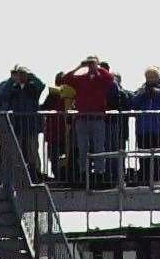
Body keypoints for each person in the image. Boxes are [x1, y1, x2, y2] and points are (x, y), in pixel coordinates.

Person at [63, 56, 116, 188]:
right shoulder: (82, 79)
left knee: (99, 149)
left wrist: (98, 68)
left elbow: (110, 78)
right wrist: (80, 67)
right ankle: (83, 173)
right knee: (82, 149)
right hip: (82, 119)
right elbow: (65, 79)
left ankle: (99, 174)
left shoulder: (101, 79)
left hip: (98, 119)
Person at [130, 67, 160, 185]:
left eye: (153, 77)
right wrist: (143, 95)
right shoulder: (142, 89)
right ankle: (145, 179)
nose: (151, 79)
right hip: (144, 129)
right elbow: (133, 104)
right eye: (148, 77)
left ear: (159, 77)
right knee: (144, 156)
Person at [0, 65, 45, 180]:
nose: (20, 76)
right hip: (16, 126)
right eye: (18, 74)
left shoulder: (32, 88)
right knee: (16, 153)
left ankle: (35, 174)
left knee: (32, 151)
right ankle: (16, 176)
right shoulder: (12, 88)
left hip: (30, 126)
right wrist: (12, 79)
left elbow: (41, 86)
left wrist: (30, 75)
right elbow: (1, 96)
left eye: (22, 74)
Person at [42, 72, 76, 185]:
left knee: (60, 158)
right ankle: (61, 178)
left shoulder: (67, 95)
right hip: (58, 132)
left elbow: (43, 107)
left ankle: (62, 178)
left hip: (61, 133)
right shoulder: (55, 95)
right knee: (58, 158)